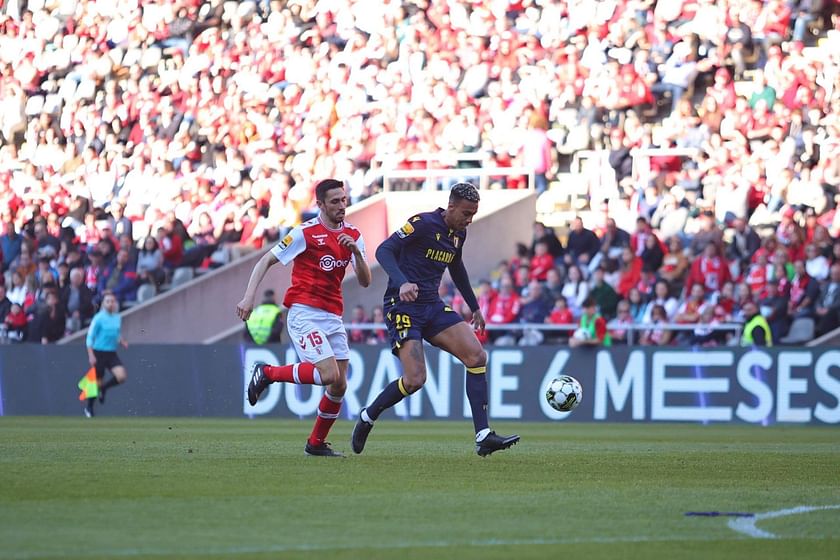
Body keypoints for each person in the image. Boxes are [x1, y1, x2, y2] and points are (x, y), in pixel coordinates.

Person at [352, 183, 519, 457]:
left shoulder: (458, 233)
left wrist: (474, 306)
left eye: (473, 214)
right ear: (450, 206)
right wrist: (403, 282)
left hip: (431, 305)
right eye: (466, 213)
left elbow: (456, 265)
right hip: (402, 306)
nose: (469, 220)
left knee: (477, 357)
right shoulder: (422, 223)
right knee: (415, 379)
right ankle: (368, 416)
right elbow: (384, 250)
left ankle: (483, 435)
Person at [237, 179, 371, 458]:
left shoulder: (354, 235)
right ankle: (267, 373)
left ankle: (316, 443)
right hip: (304, 313)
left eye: (344, 200)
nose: (341, 206)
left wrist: (356, 252)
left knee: (340, 384)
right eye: (334, 202)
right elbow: (265, 260)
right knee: (328, 375)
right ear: (320, 205)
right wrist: (249, 296)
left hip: (333, 315)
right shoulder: (304, 233)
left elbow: (365, 281)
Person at [84, 291, 129, 417]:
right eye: (108, 301)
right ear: (103, 303)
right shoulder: (98, 318)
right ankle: (89, 407)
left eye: (112, 301)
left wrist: (121, 340)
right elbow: (89, 338)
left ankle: (105, 388)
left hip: (111, 353)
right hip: (98, 353)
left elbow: (116, 333)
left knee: (121, 376)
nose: (110, 304)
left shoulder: (117, 317)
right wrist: (91, 355)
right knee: (95, 383)